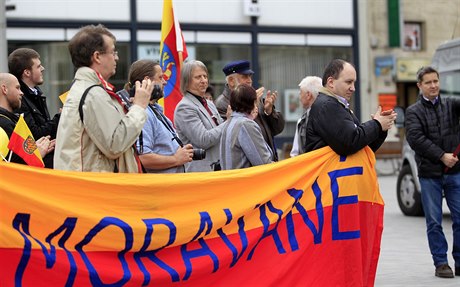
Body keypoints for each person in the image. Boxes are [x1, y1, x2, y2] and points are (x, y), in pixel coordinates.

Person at [54, 24, 152, 172]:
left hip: (86, 186)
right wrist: (139, 107)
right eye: (113, 52)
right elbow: (115, 144)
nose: (117, 58)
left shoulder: (84, 88)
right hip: (96, 189)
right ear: (97, 57)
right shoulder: (93, 93)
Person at [405, 66, 460, 278]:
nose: (434, 85)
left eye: (436, 81)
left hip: (455, 172)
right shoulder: (413, 112)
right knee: (434, 221)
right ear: (420, 86)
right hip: (430, 174)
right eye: (428, 82)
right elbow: (416, 140)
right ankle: (441, 263)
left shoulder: (451, 105)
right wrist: (441, 156)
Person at [304, 59, 396, 156]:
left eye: (354, 83)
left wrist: (380, 128)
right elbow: (350, 143)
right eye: (348, 82)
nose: (353, 88)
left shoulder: (335, 105)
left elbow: (363, 148)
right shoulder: (327, 105)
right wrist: (376, 124)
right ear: (331, 82)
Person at [117, 59, 194, 173]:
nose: (165, 82)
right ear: (147, 81)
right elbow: (143, 158)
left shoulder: (153, 110)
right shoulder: (143, 113)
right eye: (160, 77)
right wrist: (176, 159)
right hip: (159, 187)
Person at [215, 60, 285, 161]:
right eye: (244, 77)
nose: (249, 80)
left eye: (250, 76)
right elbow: (231, 137)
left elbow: (277, 129)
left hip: (266, 162)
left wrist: (269, 112)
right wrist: (250, 106)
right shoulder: (222, 104)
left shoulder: (255, 98)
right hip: (248, 166)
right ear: (231, 81)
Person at [8, 48, 60, 168]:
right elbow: (35, 135)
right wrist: (60, 117)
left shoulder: (36, 94)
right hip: (38, 168)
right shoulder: (19, 101)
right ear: (27, 72)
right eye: (38, 66)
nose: (43, 69)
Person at [174, 60, 225, 172]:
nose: (203, 80)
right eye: (198, 77)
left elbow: (221, 132)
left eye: (205, 76)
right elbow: (203, 140)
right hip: (201, 173)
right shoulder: (184, 108)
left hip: (218, 169)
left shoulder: (210, 104)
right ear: (186, 81)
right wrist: (228, 121)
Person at [0, 73, 54, 165]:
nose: (21, 92)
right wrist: (37, 154)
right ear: (4, 89)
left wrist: (35, 148)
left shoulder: (11, 120)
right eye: (17, 88)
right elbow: (13, 165)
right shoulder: (4, 124)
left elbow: (18, 156)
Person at [220, 84, 272, 170]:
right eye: (256, 101)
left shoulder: (228, 123)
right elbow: (263, 163)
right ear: (251, 102)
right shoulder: (246, 125)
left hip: (229, 180)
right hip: (245, 182)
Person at [290, 76, 322, 157]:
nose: (299, 97)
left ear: (308, 95)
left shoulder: (324, 118)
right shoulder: (302, 121)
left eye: (301, 93)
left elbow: (295, 154)